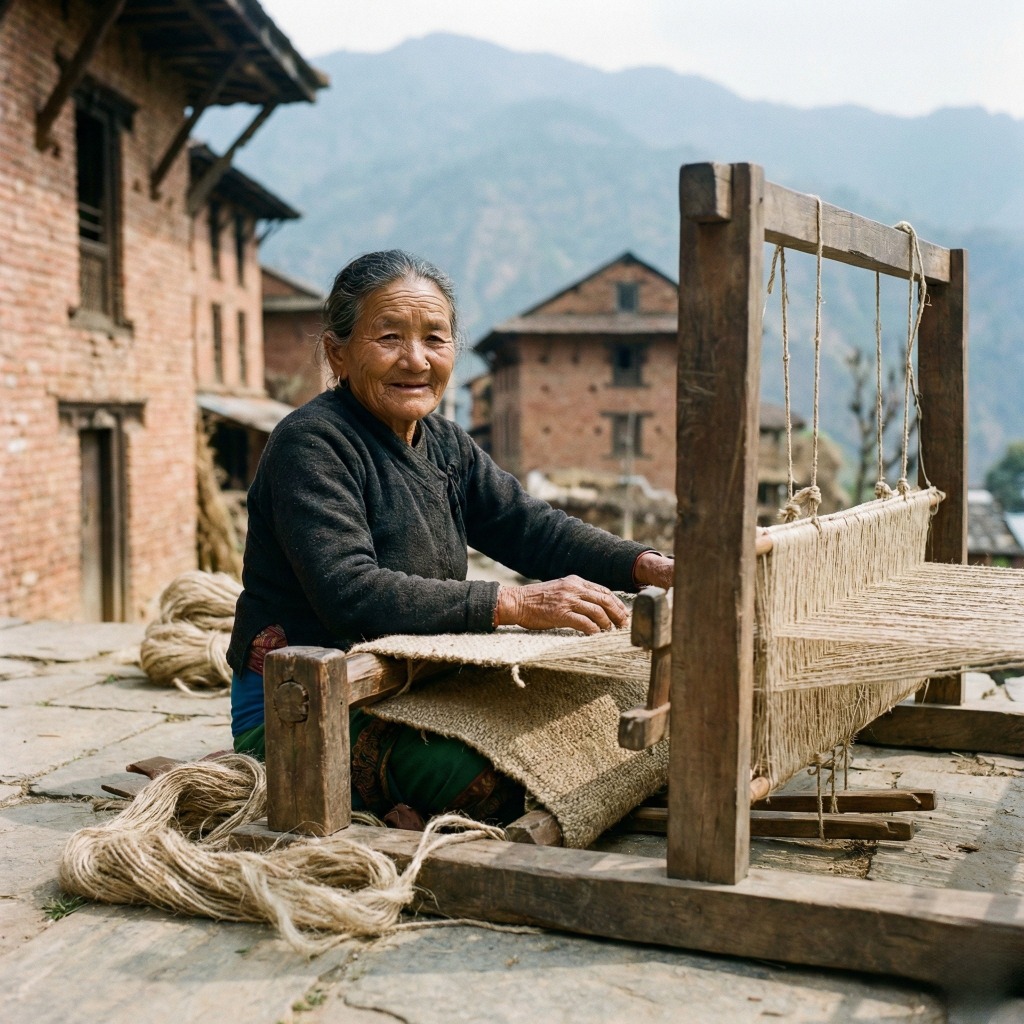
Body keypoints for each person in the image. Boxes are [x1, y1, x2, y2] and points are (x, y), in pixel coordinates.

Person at [227, 250, 674, 826]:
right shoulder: (310, 446)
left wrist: (647, 565)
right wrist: (514, 603)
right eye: (389, 337)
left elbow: (528, 528)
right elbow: (350, 591)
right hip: (306, 708)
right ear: (338, 353)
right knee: (495, 785)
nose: (415, 360)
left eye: (434, 340)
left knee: (621, 716)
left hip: (413, 680)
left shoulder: (443, 443)